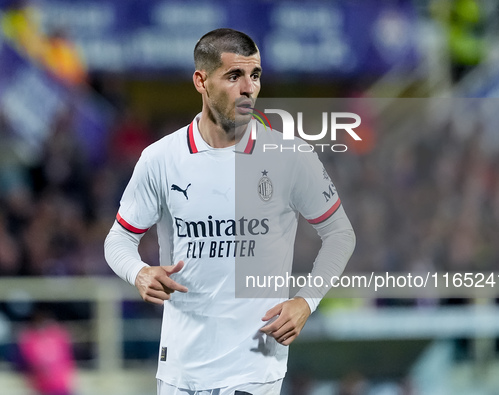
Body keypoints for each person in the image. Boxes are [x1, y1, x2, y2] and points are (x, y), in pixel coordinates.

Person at [104, 28, 356, 394]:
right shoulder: (160, 159)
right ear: (201, 81)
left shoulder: (290, 156)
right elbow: (119, 238)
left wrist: (306, 300)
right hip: (181, 367)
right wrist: (138, 272)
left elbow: (339, 233)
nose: (248, 88)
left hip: (254, 366)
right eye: (234, 76)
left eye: (255, 76)